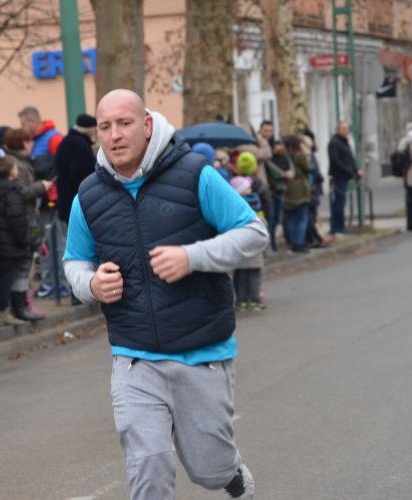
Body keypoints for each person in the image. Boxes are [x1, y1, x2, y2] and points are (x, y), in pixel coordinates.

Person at [64, 89, 268, 500]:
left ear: (147, 125)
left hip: (201, 354)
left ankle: (231, 477)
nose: (115, 135)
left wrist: (193, 257)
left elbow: (254, 234)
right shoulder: (88, 196)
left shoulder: (195, 174)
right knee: (148, 465)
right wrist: (91, 285)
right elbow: (74, 263)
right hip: (134, 357)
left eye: (124, 123)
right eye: (105, 127)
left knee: (207, 469)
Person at [18, 106, 68, 299]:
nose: (22, 128)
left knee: (56, 242)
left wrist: (55, 192)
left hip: (50, 202)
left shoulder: (53, 138)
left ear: (32, 121)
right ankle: (50, 283)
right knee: (44, 243)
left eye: (23, 123)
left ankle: (59, 284)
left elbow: (62, 166)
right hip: (39, 202)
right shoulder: (35, 141)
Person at [4, 128, 51, 320]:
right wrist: (42, 186)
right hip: (25, 221)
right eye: (29, 141)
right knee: (24, 266)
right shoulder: (18, 165)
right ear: (22, 143)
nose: (32, 144)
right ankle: (22, 305)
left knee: (27, 265)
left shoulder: (21, 163)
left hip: (28, 220)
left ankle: (25, 304)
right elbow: (22, 193)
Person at [0, 156, 28, 326]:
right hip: (9, 243)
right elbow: (17, 219)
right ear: (12, 172)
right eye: (16, 168)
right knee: (6, 278)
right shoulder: (12, 193)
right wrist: (23, 241)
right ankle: (2, 311)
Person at [230, 176, 266, 311]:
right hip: (256, 257)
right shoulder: (260, 221)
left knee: (241, 280)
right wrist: (266, 253)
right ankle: (256, 299)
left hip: (240, 256)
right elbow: (265, 239)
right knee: (254, 279)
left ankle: (242, 300)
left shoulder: (236, 220)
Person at [54, 113, 97, 224]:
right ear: (89, 130)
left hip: (67, 200)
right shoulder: (80, 144)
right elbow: (82, 173)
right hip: (78, 202)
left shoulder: (67, 141)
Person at [328, 122, 364, 235]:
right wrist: (348, 170)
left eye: (347, 129)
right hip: (338, 176)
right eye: (343, 129)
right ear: (337, 130)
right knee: (338, 203)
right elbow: (335, 161)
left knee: (341, 203)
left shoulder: (345, 142)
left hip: (344, 176)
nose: (346, 131)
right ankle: (337, 227)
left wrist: (355, 170)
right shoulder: (334, 143)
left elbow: (350, 159)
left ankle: (340, 226)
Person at [283, 135, 312, 253]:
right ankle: (299, 243)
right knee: (302, 218)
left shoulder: (284, 155)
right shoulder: (299, 156)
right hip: (300, 189)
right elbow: (309, 169)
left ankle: (293, 243)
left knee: (292, 218)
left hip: (288, 189)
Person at [265, 142, 294, 251]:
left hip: (282, 189)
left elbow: (291, 169)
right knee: (271, 219)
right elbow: (272, 169)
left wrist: (289, 173)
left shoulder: (285, 157)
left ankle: (274, 244)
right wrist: (284, 174)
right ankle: (271, 245)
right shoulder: (270, 158)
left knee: (277, 218)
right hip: (273, 190)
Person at [237, 151, 272, 222]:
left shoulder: (235, 183)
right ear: (254, 165)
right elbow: (267, 201)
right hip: (259, 217)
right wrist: (265, 215)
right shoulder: (260, 183)